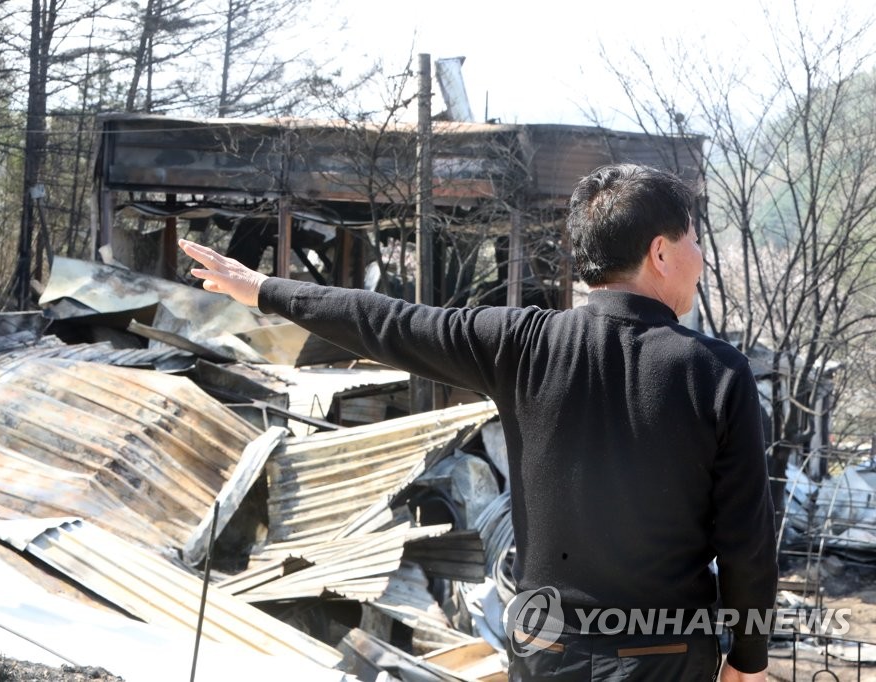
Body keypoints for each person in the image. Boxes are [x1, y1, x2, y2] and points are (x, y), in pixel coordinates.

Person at [178, 163, 777, 681]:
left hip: (549, 651)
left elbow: (389, 322)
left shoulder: (523, 344)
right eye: (695, 238)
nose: (701, 256)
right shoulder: (716, 373)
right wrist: (748, 657)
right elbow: (747, 544)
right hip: (666, 654)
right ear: (661, 252)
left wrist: (264, 289)